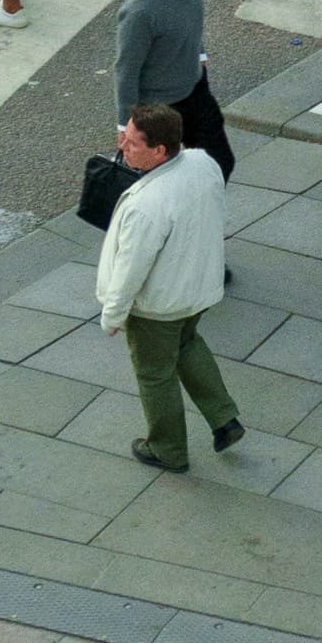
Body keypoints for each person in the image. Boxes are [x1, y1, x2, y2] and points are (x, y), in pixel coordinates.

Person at [95, 100, 245, 469]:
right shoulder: (202, 164)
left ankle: (168, 449)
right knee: (188, 344)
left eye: (132, 143)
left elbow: (131, 268)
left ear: (159, 150)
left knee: (154, 374)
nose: (122, 148)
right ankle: (224, 418)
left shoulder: (147, 205)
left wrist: (112, 315)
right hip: (199, 290)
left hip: (158, 306)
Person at [116, 0, 233, 181]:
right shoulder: (141, 11)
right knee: (167, 178)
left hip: (194, 87)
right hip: (162, 108)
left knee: (220, 162)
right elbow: (126, 69)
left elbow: (191, 15)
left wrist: (199, 52)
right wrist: (126, 125)